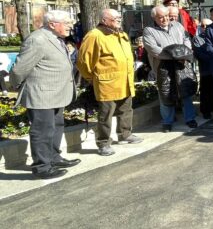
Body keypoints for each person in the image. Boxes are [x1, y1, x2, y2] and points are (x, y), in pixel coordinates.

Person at [10, 10, 78, 179]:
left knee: (56, 127)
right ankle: (42, 167)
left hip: (56, 94)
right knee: (42, 131)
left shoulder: (57, 39)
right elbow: (20, 68)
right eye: (67, 22)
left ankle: (53, 158)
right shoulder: (37, 39)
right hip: (41, 95)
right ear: (52, 24)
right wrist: (15, 85)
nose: (71, 25)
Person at [77, 9, 142, 157]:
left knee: (126, 109)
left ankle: (125, 134)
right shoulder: (95, 35)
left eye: (119, 17)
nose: (119, 19)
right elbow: (83, 62)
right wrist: (92, 78)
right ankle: (103, 143)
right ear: (104, 20)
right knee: (106, 114)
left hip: (124, 81)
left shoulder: (121, 34)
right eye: (115, 18)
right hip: (107, 83)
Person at [143, 5, 197, 132]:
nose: (165, 19)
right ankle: (167, 121)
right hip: (162, 66)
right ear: (154, 18)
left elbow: (186, 40)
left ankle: (190, 118)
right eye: (160, 17)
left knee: (185, 92)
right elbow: (154, 50)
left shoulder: (177, 25)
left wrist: (184, 54)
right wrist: (175, 55)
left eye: (166, 16)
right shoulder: (149, 30)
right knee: (165, 93)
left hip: (181, 64)